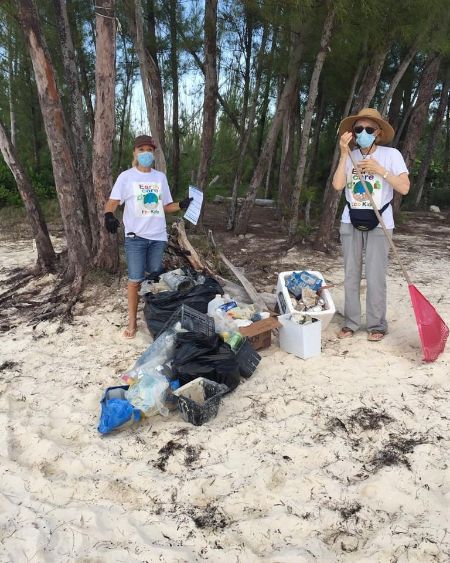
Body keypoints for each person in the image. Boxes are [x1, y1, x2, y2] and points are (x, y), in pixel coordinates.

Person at [332, 108, 410, 342]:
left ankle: (377, 324)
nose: (363, 133)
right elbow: (337, 185)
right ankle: (351, 322)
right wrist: (344, 154)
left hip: (380, 222)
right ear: (353, 133)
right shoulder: (350, 155)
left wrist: (380, 170)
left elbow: (404, 187)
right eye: (358, 129)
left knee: (376, 276)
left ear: (377, 132)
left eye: (368, 129)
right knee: (351, 274)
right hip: (350, 220)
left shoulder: (391, 154)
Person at [104, 134, 193, 339]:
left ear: (154, 154)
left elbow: (166, 207)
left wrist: (181, 205)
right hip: (136, 237)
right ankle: (132, 323)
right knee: (135, 280)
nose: (146, 153)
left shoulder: (159, 178)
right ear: (135, 152)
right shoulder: (126, 177)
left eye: (149, 150)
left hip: (158, 237)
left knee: (155, 280)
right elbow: (112, 201)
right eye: (141, 149)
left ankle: (155, 317)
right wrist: (109, 215)